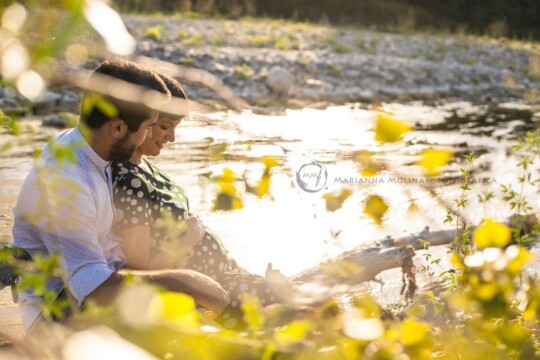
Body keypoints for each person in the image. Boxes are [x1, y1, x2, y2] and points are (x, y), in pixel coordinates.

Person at [12, 58, 230, 334]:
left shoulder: (92, 148)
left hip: (100, 287)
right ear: (117, 129)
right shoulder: (67, 183)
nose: (153, 135)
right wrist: (182, 281)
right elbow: (92, 289)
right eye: (149, 127)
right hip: (58, 316)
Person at [112, 74, 286, 329]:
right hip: (206, 298)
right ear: (143, 122)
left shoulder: (145, 166)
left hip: (223, 278)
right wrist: (189, 239)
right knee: (299, 312)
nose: (171, 137)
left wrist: (232, 265)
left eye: (176, 127)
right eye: (164, 126)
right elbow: (142, 273)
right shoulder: (130, 182)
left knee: (300, 298)